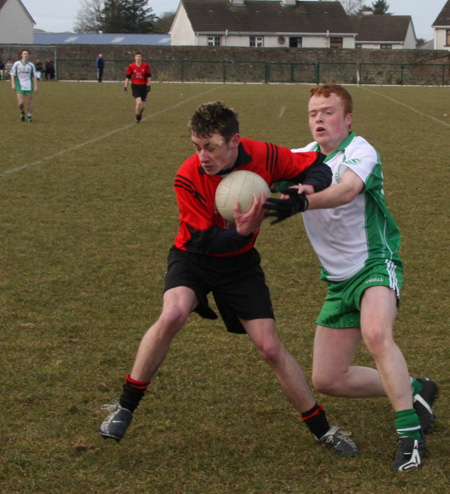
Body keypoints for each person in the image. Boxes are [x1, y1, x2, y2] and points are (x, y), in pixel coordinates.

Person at [100, 100, 358, 458]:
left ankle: (323, 429)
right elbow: (202, 239)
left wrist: (306, 190)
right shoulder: (187, 176)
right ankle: (124, 407)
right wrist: (240, 232)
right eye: (196, 146)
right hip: (194, 259)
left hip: (239, 266)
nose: (203, 156)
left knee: (269, 347)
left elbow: (316, 166)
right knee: (173, 314)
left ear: (234, 141)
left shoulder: (264, 155)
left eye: (211, 147)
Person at [264, 83, 437, 472]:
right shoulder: (302, 157)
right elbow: (263, 169)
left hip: (375, 262)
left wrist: (302, 201)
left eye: (328, 112)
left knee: (377, 334)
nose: (319, 119)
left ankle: (410, 437)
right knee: (327, 378)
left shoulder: (362, 151)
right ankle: (413, 389)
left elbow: (346, 191)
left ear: (348, 118)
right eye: (313, 113)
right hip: (337, 279)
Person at [10, 49, 38, 123]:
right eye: (24, 53)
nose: (26, 55)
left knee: (29, 102)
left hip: (29, 85)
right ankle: (22, 112)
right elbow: (12, 74)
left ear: (28, 56)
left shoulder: (31, 65)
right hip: (19, 85)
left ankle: (29, 117)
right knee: (21, 103)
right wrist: (13, 84)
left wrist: (35, 86)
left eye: (27, 54)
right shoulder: (17, 64)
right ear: (21, 55)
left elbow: (34, 76)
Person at [124, 51, 151, 123]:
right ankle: (137, 117)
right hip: (135, 86)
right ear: (135, 58)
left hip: (143, 86)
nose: (138, 58)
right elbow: (127, 77)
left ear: (141, 58)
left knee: (143, 106)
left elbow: (148, 76)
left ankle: (140, 114)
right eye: (137, 56)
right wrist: (125, 87)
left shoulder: (145, 66)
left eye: (139, 56)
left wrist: (149, 85)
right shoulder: (131, 66)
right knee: (138, 103)